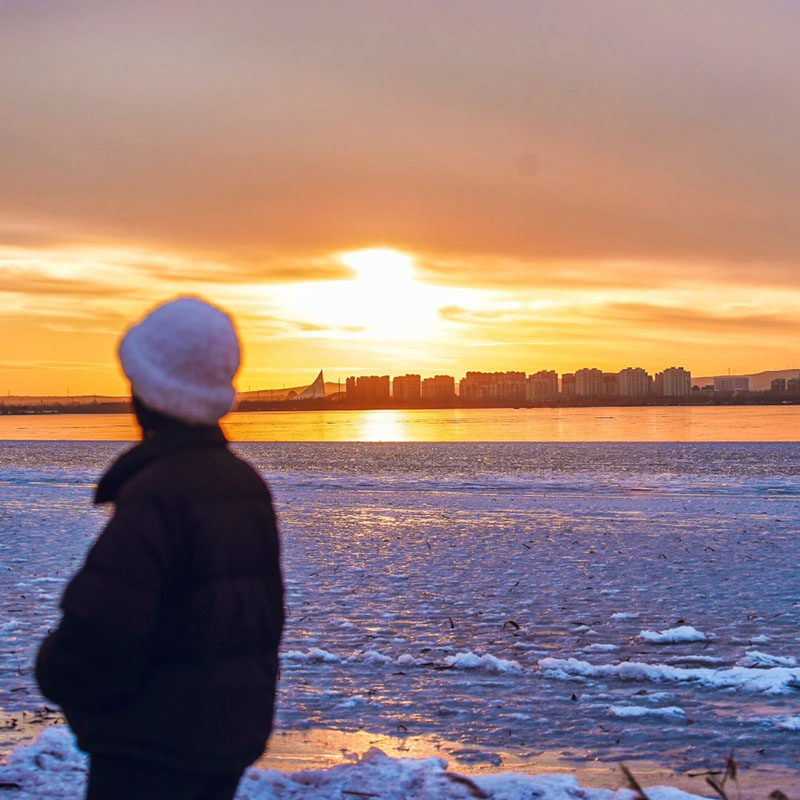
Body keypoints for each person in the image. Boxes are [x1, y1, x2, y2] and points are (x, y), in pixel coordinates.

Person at [36, 297, 284, 800]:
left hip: (151, 747)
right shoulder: (244, 482)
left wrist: (57, 673)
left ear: (148, 394)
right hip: (223, 739)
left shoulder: (157, 492)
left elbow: (100, 633)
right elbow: (263, 618)